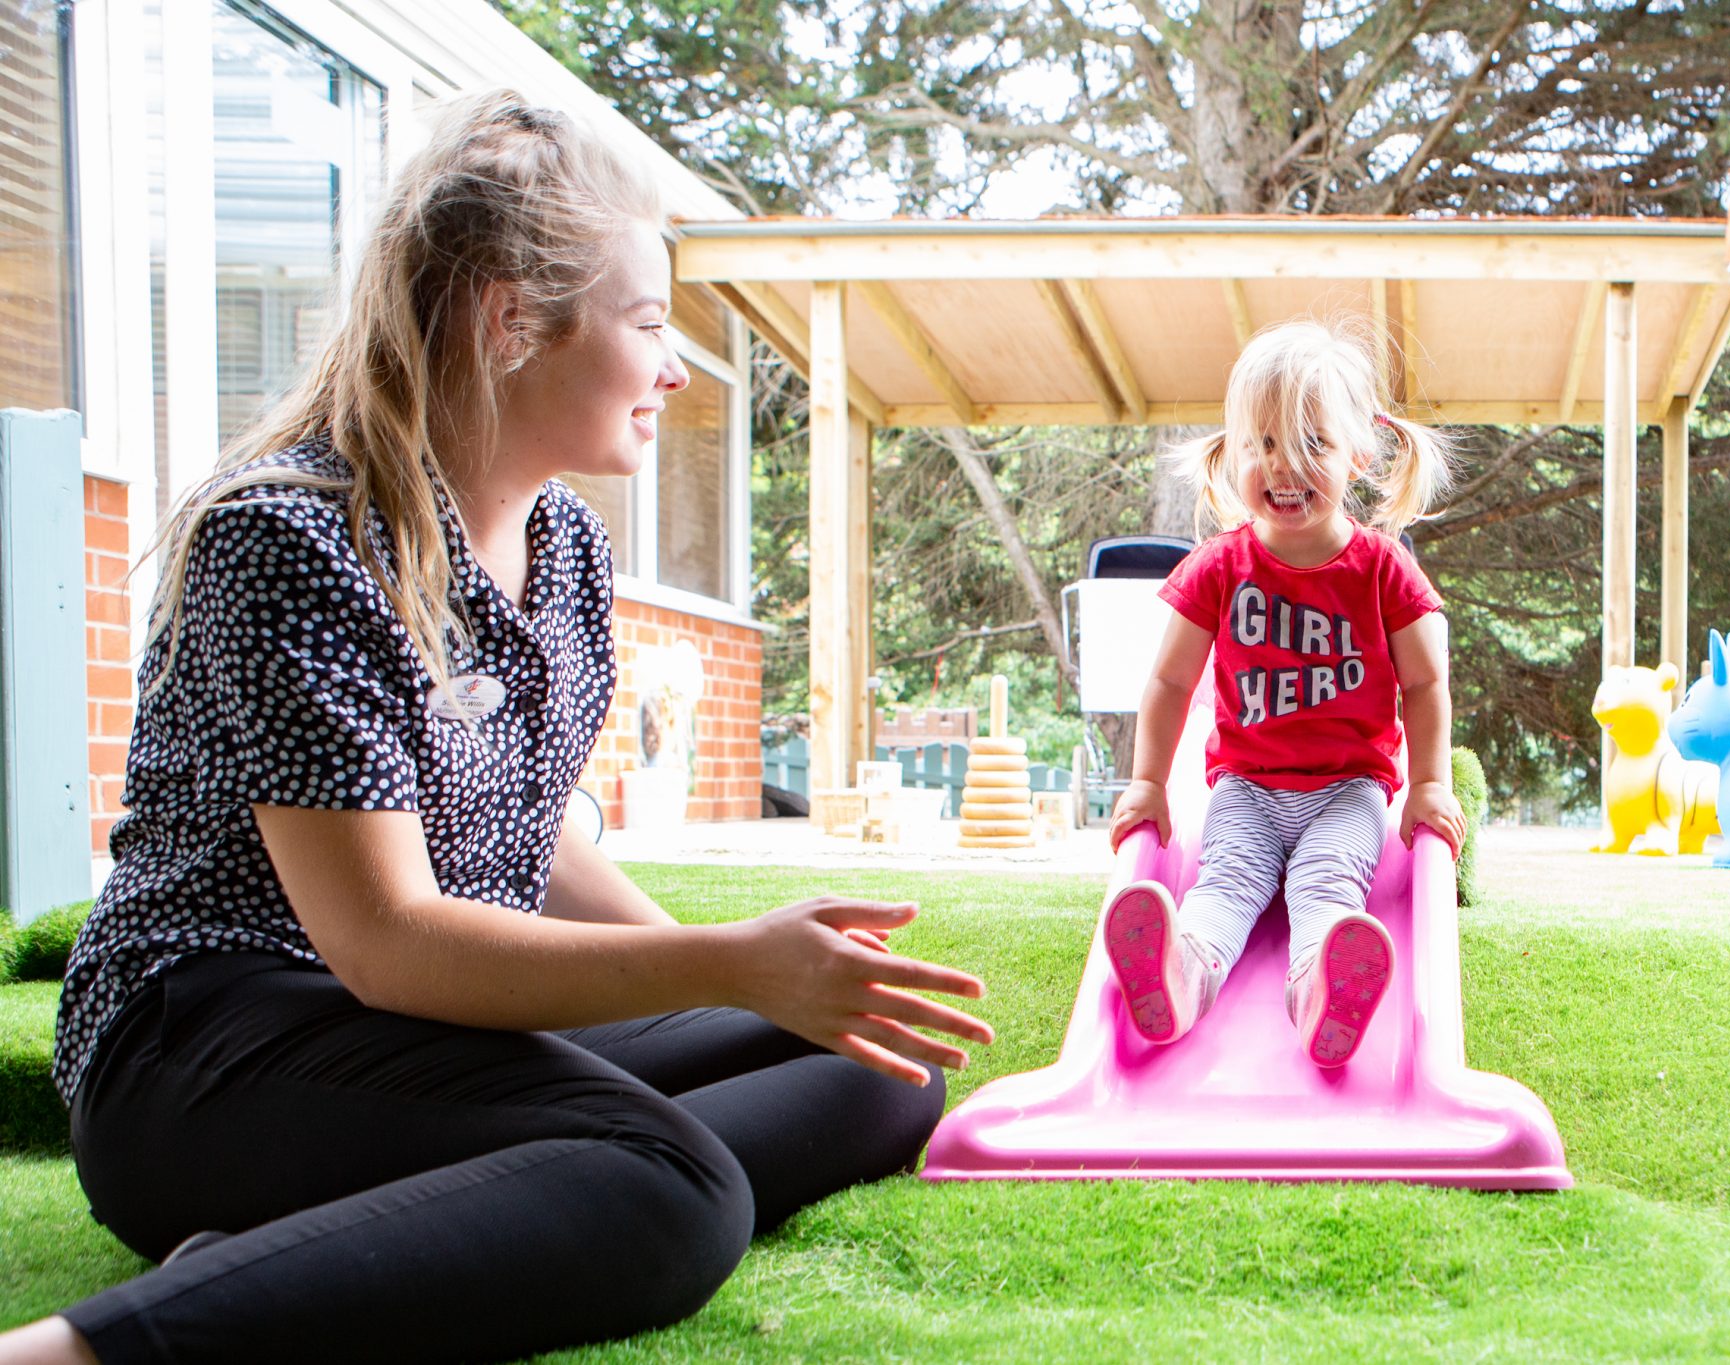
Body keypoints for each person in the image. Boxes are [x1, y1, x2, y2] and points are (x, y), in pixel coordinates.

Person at [0, 91, 991, 1365]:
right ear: (511, 321)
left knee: (874, 1064)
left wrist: (755, 980)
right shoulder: (288, 537)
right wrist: (727, 964)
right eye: (645, 323)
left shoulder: (566, 546)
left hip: (424, 1029)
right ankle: (75, 1352)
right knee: (675, 1194)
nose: (675, 365)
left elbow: (530, 839)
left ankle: (362, 1233)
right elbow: (387, 942)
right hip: (209, 1048)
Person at [1104, 316, 1466, 1069]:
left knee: (1326, 883)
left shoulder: (1381, 569)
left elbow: (1427, 681)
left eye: (1312, 444)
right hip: (1245, 786)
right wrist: (1146, 781)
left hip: (1350, 789)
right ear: (1234, 450)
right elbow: (1170, 678)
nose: (1284, 467)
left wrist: (1429, 785)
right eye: (1262, 444)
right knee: (1226, 880)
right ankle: (1182, 975)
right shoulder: (1218, 567)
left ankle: (1319, 998)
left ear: (1360, 451)